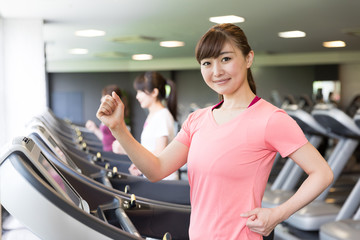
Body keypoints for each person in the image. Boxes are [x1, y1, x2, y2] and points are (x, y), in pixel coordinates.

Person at [96, 24, 333, 239]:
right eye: (207, 63)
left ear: (248, 58)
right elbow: (156, 170)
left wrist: (278, 214)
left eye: (226, 59)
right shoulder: (197, 120)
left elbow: (322, 173)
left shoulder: (271, 119)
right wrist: (118, 128)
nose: (216, 71)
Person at [113, 71, 179, 180]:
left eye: (140, 92)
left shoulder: (162, 116)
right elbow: (150, 150)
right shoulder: (153, 115)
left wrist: (126, 150)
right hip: (154, 177)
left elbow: (160, 152)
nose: (137, 96)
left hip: (164, 180)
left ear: (154, 92)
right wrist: (140, 165)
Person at [85, 84, 123, 152]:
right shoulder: (107, 114)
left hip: (115, 153)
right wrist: (94, 129)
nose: (101, 99)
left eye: (103, 96)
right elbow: (105, 139)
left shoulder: (116, 117)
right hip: (107, 151)